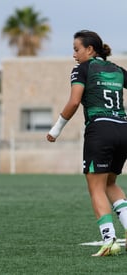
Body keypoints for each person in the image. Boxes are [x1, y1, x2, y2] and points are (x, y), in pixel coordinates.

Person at [47, 30, 127, 257]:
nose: (74, 55)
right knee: (110, 181)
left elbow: (74, 102)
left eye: (76, 49)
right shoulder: (117, 70)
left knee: (96, 187)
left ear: (90, 50)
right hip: (123, 128)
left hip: (100, 130)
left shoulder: (82, 68)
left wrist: (56, 129)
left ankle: (110, 240)